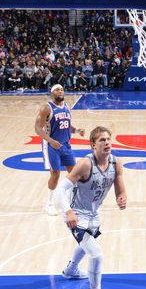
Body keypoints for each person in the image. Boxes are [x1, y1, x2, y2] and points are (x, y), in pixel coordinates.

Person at [54, 126, 127, 289]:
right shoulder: (85, 164)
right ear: (93, 145)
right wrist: (68, 211)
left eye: (109, 139)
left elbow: (121, 190)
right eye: (102, 140)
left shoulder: (116, 163)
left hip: (94, 215)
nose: (107, 143)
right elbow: (59, 191)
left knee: (86, 244)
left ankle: (71, 270)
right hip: (76, 215)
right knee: (96, 255)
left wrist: (122, 198)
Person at [35, 84, 85, 215]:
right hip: (51, 145)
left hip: (65, 145)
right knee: (55, 174)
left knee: (74, 174)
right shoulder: (46, 108)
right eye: (57, 90)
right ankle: (49, 204)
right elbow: (37, 128)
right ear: (52, 93)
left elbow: (67, 125)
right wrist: (51, 141)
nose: (60, 91)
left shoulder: (67, 107)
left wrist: (77, 130)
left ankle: (69, 201)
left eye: (62, 89)